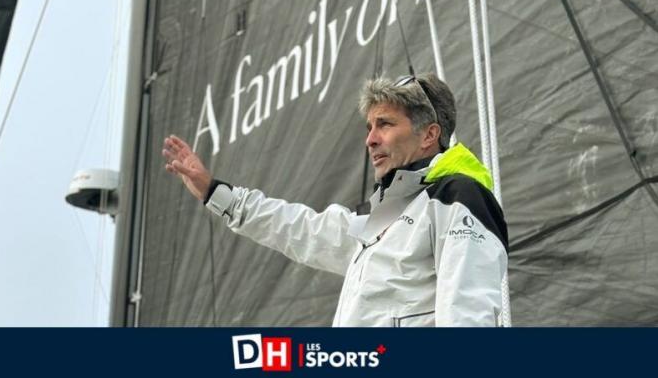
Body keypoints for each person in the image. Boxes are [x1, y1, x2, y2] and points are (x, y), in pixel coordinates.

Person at [162, 74, 509, 327]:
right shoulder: (382, 219)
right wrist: (216, 194)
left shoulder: (458, 197)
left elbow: (468, 312)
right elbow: (300, 229)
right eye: (369, 127)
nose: (370, 140)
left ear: (429, 135)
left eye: (384, 124)